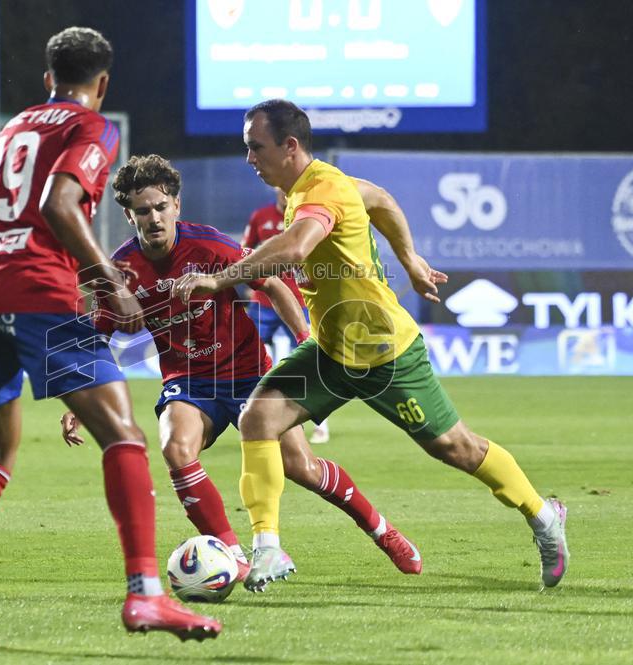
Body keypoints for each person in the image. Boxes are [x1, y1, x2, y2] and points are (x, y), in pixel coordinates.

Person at [172, 99, 569, 592]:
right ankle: (267, 547)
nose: (250, 158)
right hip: (330, 353)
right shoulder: (317, 186)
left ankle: (543, 514)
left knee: (457, 448)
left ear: (290, 147)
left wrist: (220, 281)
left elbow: (295, 248)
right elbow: (380, 198)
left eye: (257, 147)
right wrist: (412, 258)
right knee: (258, 418)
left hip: (386, 354)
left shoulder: (322, 194)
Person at [0, 27, 221, 648]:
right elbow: (62, 204)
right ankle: (146, 596)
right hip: (36, 294)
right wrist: (107, 283)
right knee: (124, 435)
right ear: (103, 83)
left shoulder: (13, 129)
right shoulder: (92, 128)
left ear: (46, 79)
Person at [60, 154, 422, 592]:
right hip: (189, 382)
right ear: (128, 214)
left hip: (251, 374)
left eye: (160, 207)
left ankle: (381, 529)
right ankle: (233, 556)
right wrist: (80, 397)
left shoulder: (211, 246)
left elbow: (270, 283)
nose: (153, 218)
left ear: (176, 205)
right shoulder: (119, 272)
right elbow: (97, 334)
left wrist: (306, 338)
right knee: (176, 449)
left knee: (302, 468)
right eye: (142, 210)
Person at [243, 188, 330, 444]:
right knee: (245, 353)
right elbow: (243, 252)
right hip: (263, 302)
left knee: (308, 362)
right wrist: (249, 284)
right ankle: (256, 414)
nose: (283, 193)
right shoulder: (260, 217)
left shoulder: (307, 217)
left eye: (287, 190)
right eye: (279, 190)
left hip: (299, 301)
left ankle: (320, 422)